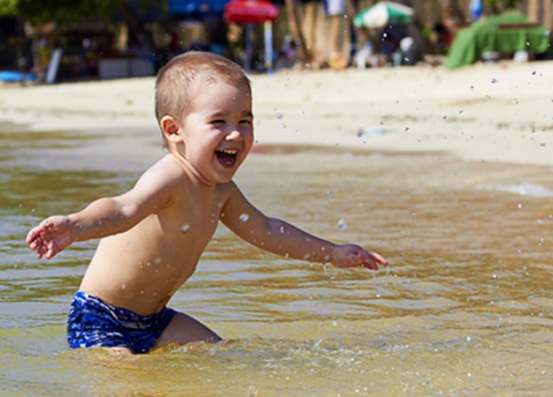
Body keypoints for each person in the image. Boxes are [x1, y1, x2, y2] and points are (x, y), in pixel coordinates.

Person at [26, 51, 388, 354]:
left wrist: (333, 253)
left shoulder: (221, 192)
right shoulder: (169, 177)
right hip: (102, 318)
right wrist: (75, 225)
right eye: (219, 121)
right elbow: (122, 209)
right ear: (174, 130)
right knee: (129, 381)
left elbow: (267, 231)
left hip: (156, 321)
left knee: (223, 355)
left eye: (245, 121)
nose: (236, 133)